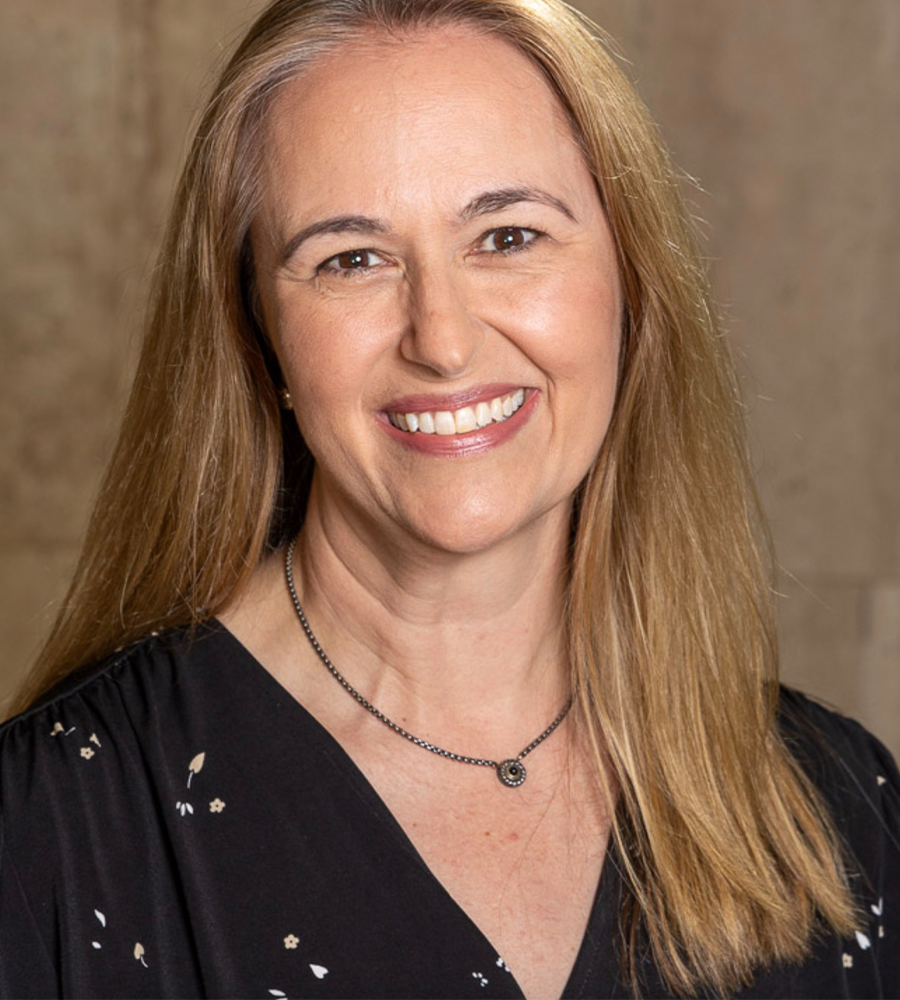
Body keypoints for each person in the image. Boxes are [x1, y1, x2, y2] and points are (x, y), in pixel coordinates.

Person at [1, 0, 897, 996]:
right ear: (259, 332)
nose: (443, 336)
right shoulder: (51, 829)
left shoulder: (841, 807)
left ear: (631, 281)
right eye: (351, 258)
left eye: (508, 237)